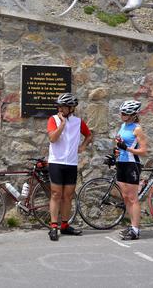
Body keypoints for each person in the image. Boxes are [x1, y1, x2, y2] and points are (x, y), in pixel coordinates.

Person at [46, 93, 93, 241]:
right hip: (56, 162)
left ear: (71, 108)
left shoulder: (78, 122)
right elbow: (53, 139)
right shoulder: (53, 119)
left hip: (71, 163)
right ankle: (54, 226)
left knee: (68, 196)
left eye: (63, 106)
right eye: (59, 106)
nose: (60, 109)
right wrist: (62, 124)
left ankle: (65, 226)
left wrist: (83, 147)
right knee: (56, 194)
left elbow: (89, 135)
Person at [114, 100, 149, 240]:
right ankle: (131, 226)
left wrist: (126, 148)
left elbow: (143, 151)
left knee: (133, 198)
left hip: (131, 164)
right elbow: (119, 143)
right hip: (121, 163)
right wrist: (115, 154)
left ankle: (136, 229)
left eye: (125, 113)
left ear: (133, 115)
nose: (122, 115)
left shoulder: (137, 129)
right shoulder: (123, 126)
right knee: (125, 197)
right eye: (121, 113)